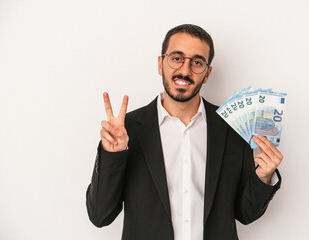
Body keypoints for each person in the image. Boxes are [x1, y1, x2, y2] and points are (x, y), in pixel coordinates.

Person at [86, 24, 283, 240]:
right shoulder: (128, 129)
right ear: (161, 64)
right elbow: (100, 215)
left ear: (207, 74)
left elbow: (245, 213)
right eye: (177, 58)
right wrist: (113, 155)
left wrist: (263, 177)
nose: (185, 70)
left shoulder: (232, 127)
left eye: (197, 62)